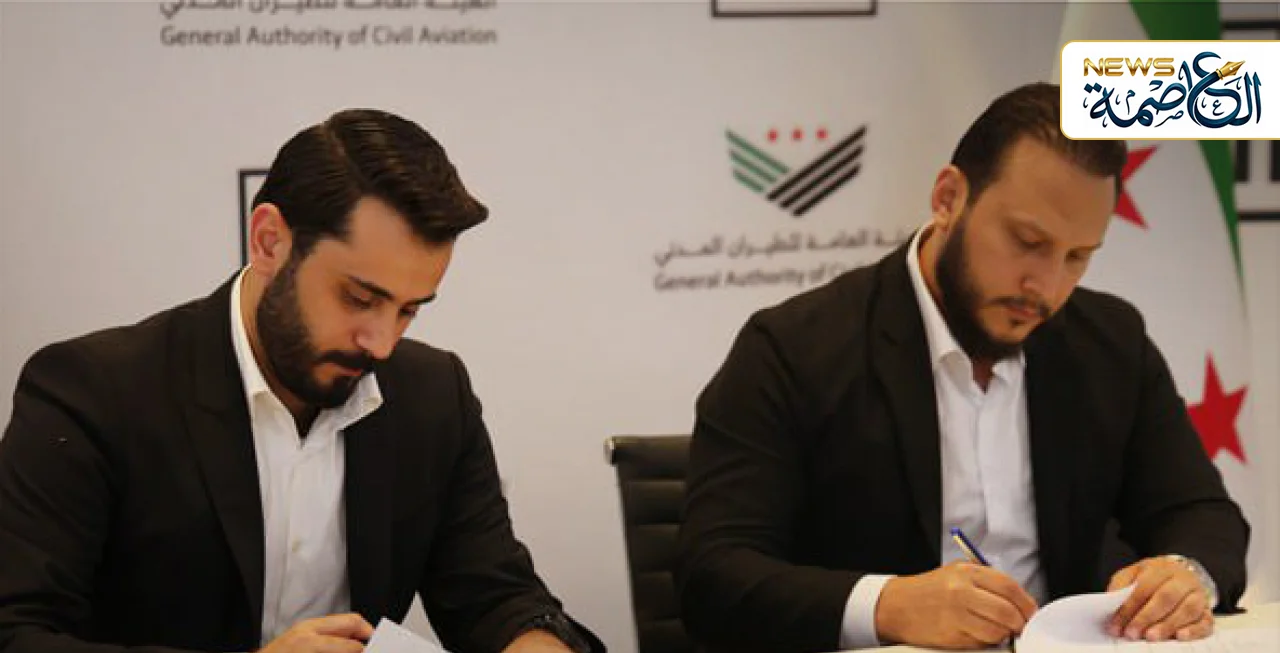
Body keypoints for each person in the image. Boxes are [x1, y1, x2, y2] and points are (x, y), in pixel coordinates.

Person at [0, 109, 603, 653]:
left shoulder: (433, 397)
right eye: (359, 297)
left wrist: (531, 642)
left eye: (409, 310)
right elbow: (17, 632)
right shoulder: (94, 392)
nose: (382, 343)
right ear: (269, 242)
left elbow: (496, 597)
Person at [676, 82, 1249, 653]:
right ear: (949, 198)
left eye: (1077, 257)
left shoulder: (1110, 341)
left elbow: (1200, 512)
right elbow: (713, 574)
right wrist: (888, 606)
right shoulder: (792, 348)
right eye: (1027, 241)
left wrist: (1184, 575)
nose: (1047, 286)